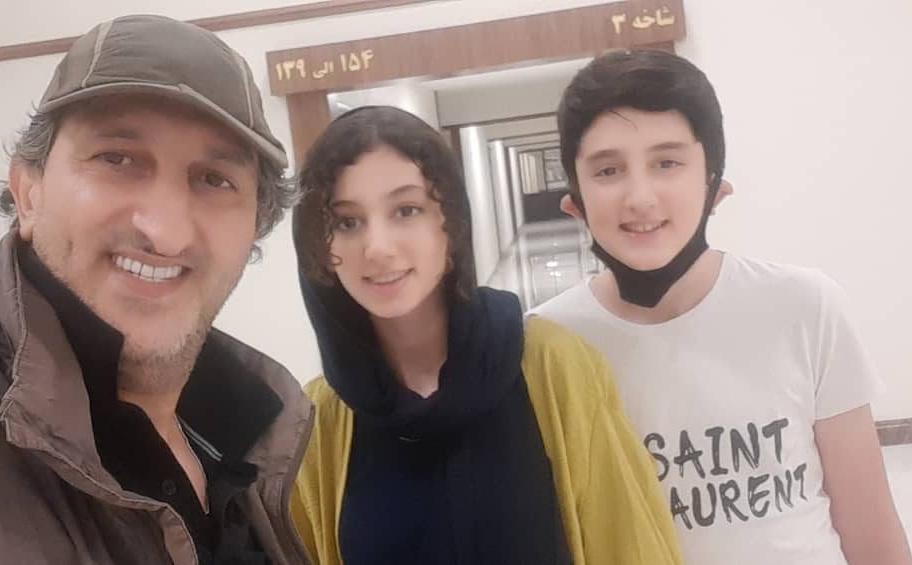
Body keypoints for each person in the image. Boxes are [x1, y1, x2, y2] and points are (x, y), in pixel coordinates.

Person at [0, 15, 313, 565]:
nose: (165, 232)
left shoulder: (261, 434)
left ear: (254, 226)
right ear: (28, 193)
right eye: (116, 158)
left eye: (214, 179)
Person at [531, 49, 912, 565]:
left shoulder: (802, 305)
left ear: (714, 185)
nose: (640, 197)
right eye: (608, 170)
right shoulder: (549, 342)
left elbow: (871, 528)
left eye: (667, 162)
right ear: (574, 200)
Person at [287, 105, 682, 565]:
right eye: (346, 222)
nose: (377, 247)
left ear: (451, 224)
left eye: (406, 210)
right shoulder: (318, 418)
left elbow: (629, 544)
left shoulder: (552, 365)